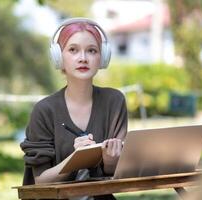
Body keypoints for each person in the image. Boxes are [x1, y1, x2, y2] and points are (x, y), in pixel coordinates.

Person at [20, 18, 128, 199]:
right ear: (58, 57)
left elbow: (115, 175)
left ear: (102, 57)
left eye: (92, 50)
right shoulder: (44, 110)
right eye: (73, 50)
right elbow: (41, 182)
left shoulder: (114, 101)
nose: (83, 58)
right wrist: (76, 159)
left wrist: (110, 161)